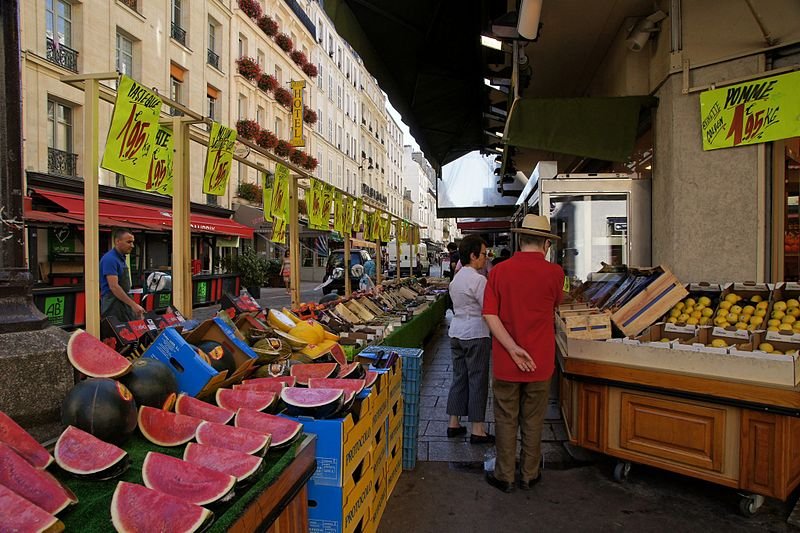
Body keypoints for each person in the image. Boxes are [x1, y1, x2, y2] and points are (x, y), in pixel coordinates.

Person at [482, 214, 565, 493]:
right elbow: (554, 305)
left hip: (507, 361)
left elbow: (490, 315)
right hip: (540, 360)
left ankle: (505, 475)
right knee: (533, 419)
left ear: (519, 238)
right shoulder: (555, 273)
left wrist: (512, 348)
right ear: (545, 243)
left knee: (506, 419)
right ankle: (529, 473)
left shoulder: (499, 271)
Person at [446, 235, 493, 444]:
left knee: (459, 378)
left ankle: (453, 423)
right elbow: (488, 309)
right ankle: (477, 429)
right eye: (483, 254)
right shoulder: (478, 280)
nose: (486, 258)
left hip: (456, 332)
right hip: (476, 333)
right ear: (473, 255)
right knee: (477, 381)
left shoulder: (456, 280)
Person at [100, 228, 144, 322]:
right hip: (113, 305)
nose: (132, 246)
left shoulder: (121, 259)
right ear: (117, 241)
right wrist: (133, 305)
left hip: (123, 303)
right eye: (129, 242)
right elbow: (114, 287)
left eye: (133, 242)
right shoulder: (110, 259)